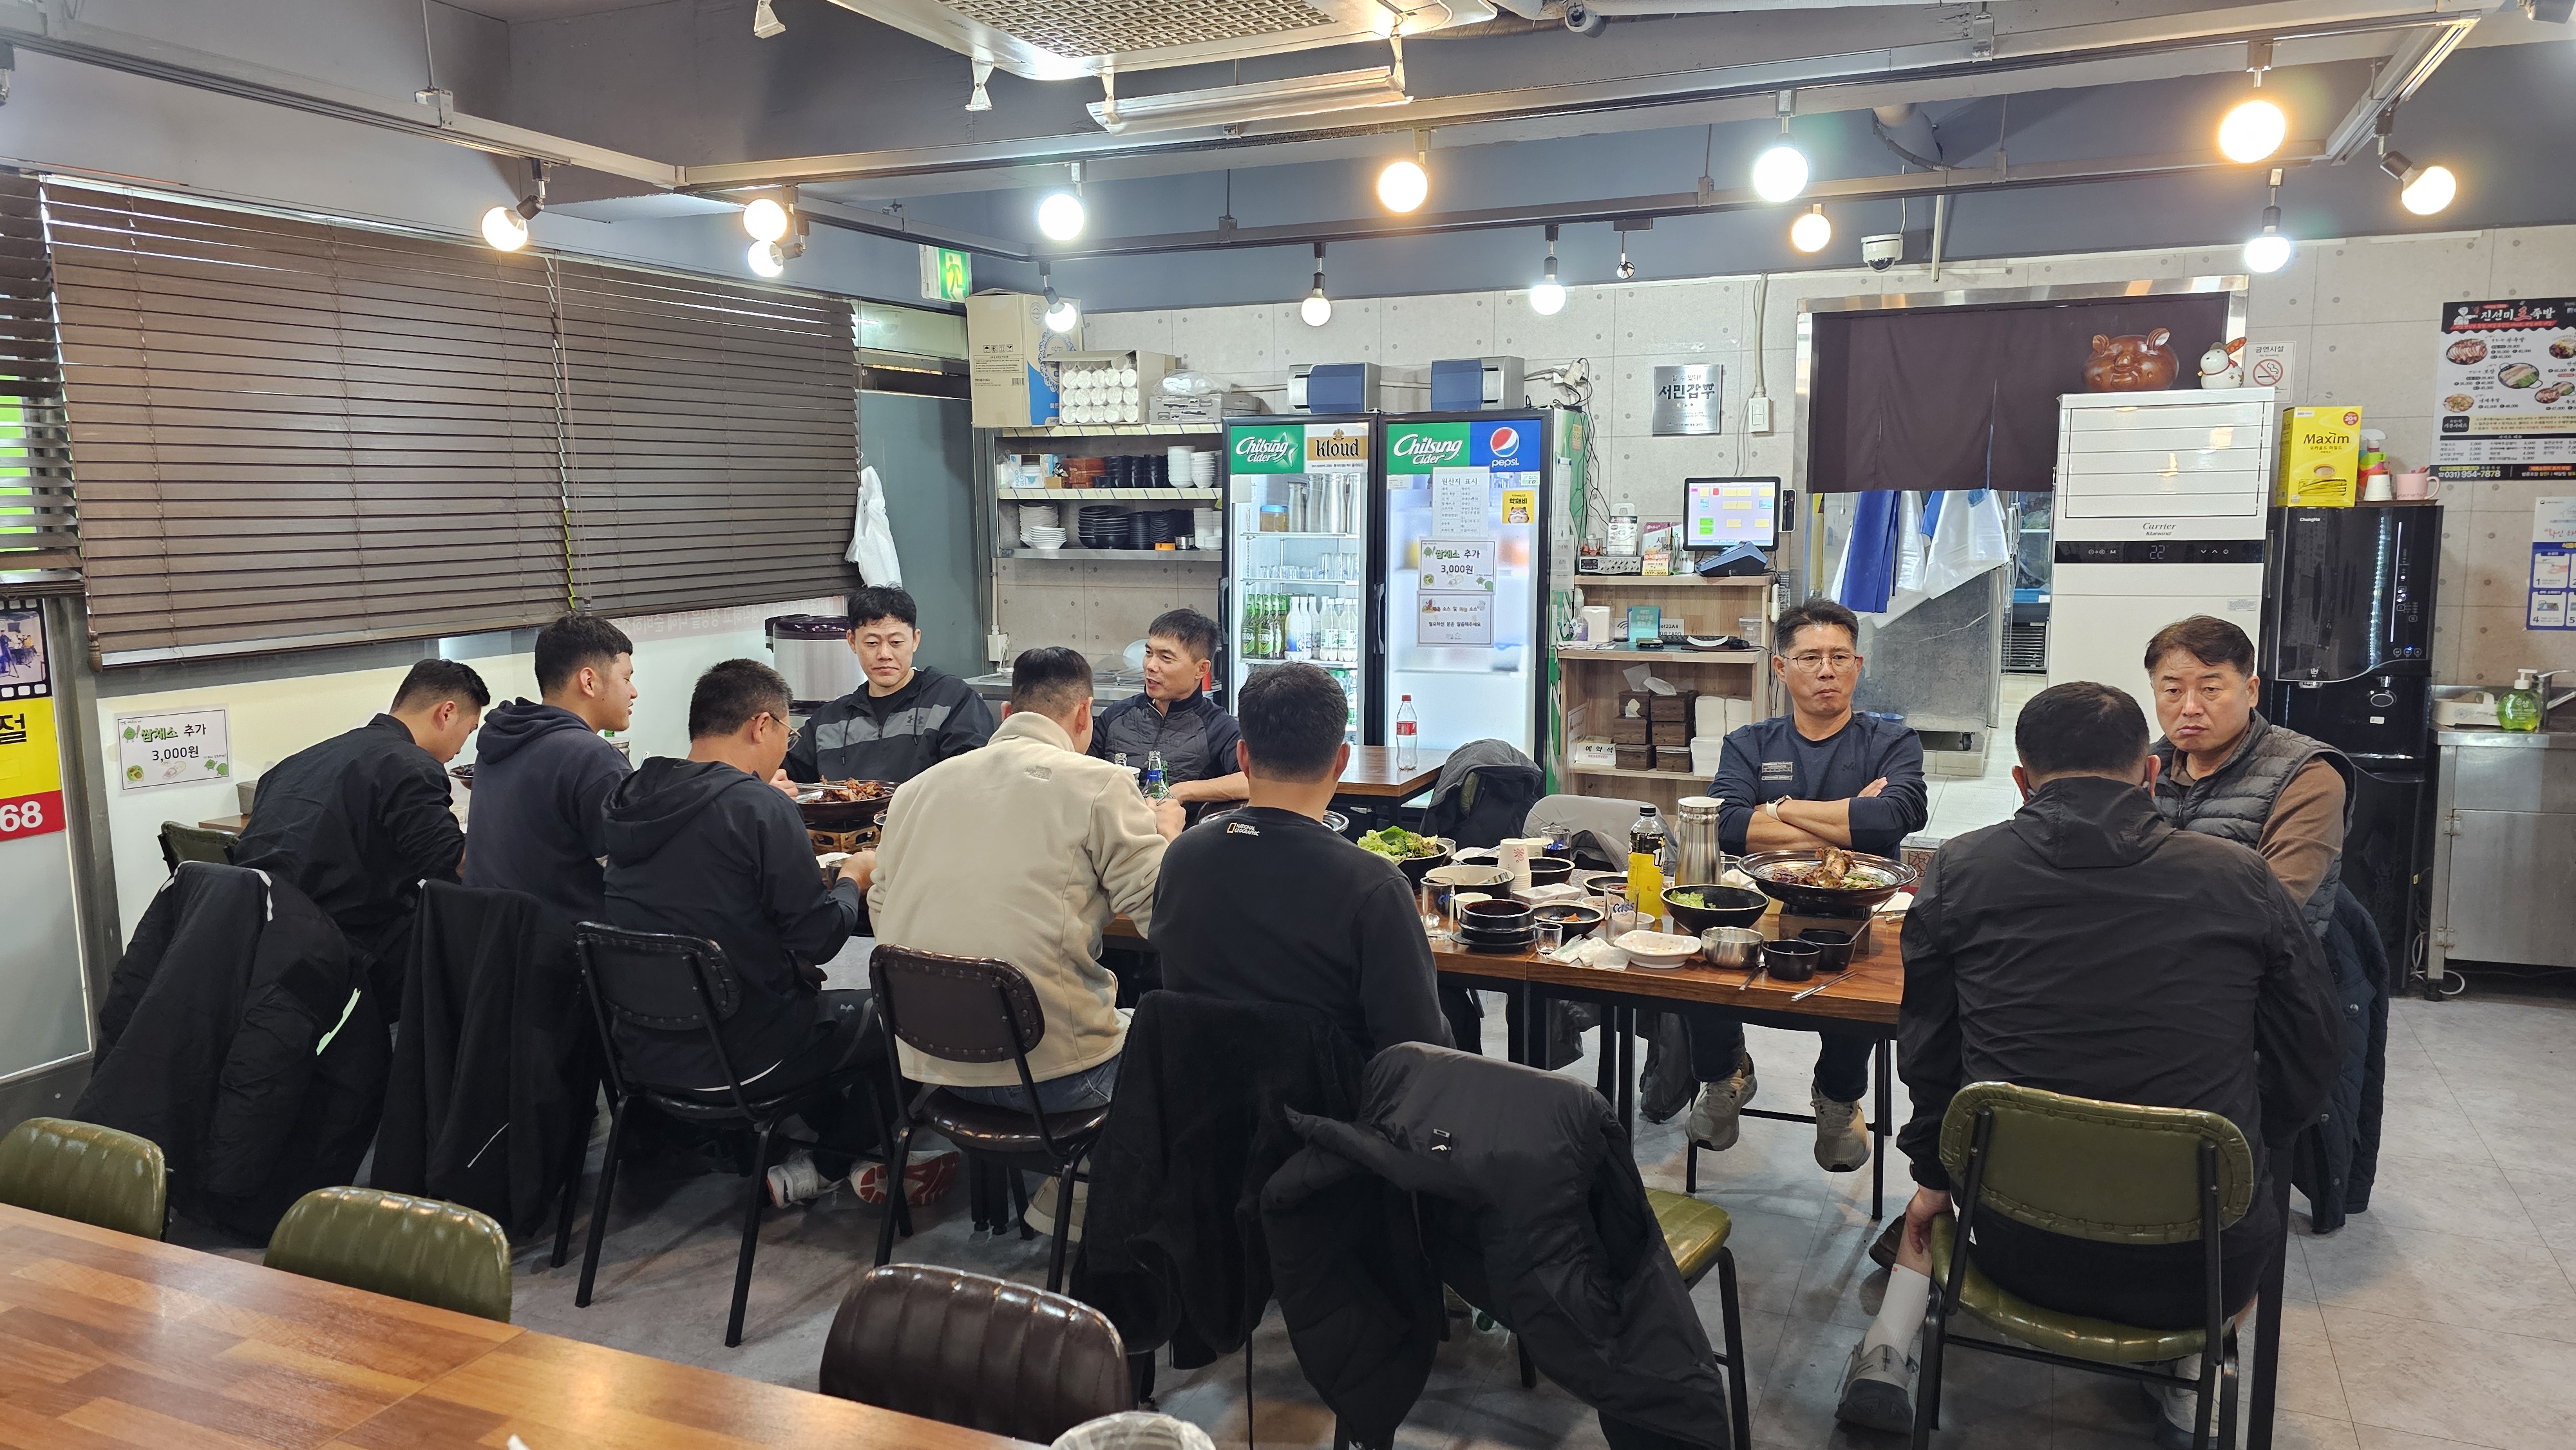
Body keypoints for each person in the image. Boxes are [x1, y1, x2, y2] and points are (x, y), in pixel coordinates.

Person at [1833, 682, 2340, 1439]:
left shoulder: (1961, 867)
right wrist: (2245, 1139)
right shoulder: (2240, 877)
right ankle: (2188, 1379)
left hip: (2008, 1243)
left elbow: (1929, 1055)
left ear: (2020, 780)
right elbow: (2313, 1052)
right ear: (2150, 773)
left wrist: (1933, 1172)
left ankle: (1885, 1348)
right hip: (2200, 1264)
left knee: (1936, 1183)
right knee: (2248, 1207)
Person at [869, 646, 1183, 1238]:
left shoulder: (915, 791)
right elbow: (1163, 919)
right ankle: (1091, 1201)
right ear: (1085, 715)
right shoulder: (1101, 783)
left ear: (1008, 713)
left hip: (933, 1069)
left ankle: (1063, 1191)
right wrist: (1166, 836)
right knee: (1181, 1044)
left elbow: (882, 911)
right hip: (1056, 1080)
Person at [599, 659, 884, 1204]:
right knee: (906, 1016)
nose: (785, 749)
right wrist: (853, 878)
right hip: (745, 1058)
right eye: (787, 735)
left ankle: (838, 1149)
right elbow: (819, 938)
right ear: (761, 726)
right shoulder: (756, 808)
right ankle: (831, 1163)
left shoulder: (632, 795)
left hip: (643, 1054)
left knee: (818, 1008)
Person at [1683, 598, 1927, 1171]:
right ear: (1780, 667)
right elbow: (1727, 824)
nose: (1826, 671)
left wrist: (1780, 808)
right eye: (1810, 657)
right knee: (1702, 959)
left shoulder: (1891, 742)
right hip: (1763, 904)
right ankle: (1725, 1076)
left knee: (1861, 989)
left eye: (1840, 657)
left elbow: (1895, 818)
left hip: (1859, 908)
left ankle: (1838, 1096)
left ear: (1858, 665)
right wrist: (1847, 819)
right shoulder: (1750, 742)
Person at [1150, 661, 1448, 1059]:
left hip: (1194, 1091)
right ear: (1341, 761)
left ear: (1243, 757)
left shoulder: (1181, 857)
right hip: (1333, 1098)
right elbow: (1420, 1048)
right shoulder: (1373, 884)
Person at [233, 658, 486, 986]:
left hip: (262, 939)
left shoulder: (298, 762)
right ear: (446, 713)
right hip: (344, 948)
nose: (462, 748)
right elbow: (451, 864)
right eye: (469, 730)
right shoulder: (411, 765)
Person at [2144, 615, 2351, 936]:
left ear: (2251, 691)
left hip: (2262, 959)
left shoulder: (2307, 777)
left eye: (2210, 689)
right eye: (2172, 690)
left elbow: (2272, 908)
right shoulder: (2142, 766)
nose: (2190, 707)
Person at [462, 612, 636, 925]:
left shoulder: (501, 740)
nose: (633, 691)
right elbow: (636, 873)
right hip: (567, 946)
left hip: (492, 941)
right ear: (589, 681)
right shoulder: (592, 758)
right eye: (626, 678)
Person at [786, 586, 996, 786]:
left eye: (896, 643)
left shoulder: (952, 700)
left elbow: (971, 777)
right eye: (872, 643)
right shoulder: (829, 721)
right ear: (852, 641)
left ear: (915, 640)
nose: (884, 654)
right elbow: (784, 774)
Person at [1089, 607, 1247, 811]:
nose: (1151, 666)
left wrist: (1182, 791)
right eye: (1149, 653)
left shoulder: (1218, 726)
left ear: (1201, 669)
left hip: (1183, 830)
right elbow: (1081, 769)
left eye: (1166, 658)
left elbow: (1251, 781)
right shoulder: (1116, 715)